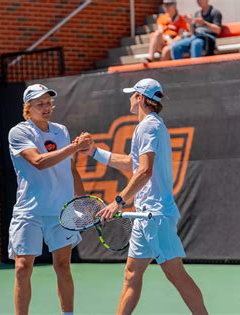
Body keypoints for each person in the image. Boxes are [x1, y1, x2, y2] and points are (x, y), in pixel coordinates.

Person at [80, 79, 208, 315]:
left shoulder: (149, 126)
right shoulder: (148, 126)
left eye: (132, 94)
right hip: (143, 215)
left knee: (176, 275)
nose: (129, 98)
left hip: (154, 215)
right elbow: (132, 163)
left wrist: (118, 201)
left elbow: (144, 171)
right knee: (131, 274)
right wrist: (93, 152)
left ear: (139, 98)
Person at [7, 83, 91, 315]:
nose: (46, 107)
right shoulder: (19, 132)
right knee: (22, 268)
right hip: (29, 212)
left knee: (63, 266)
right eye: (40, 104)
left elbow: (70, 168)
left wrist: (81, 201)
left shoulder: (61, 131)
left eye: (48, 103)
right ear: (28, 108)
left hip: (60, 211)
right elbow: (39, 162)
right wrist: (74, 147)